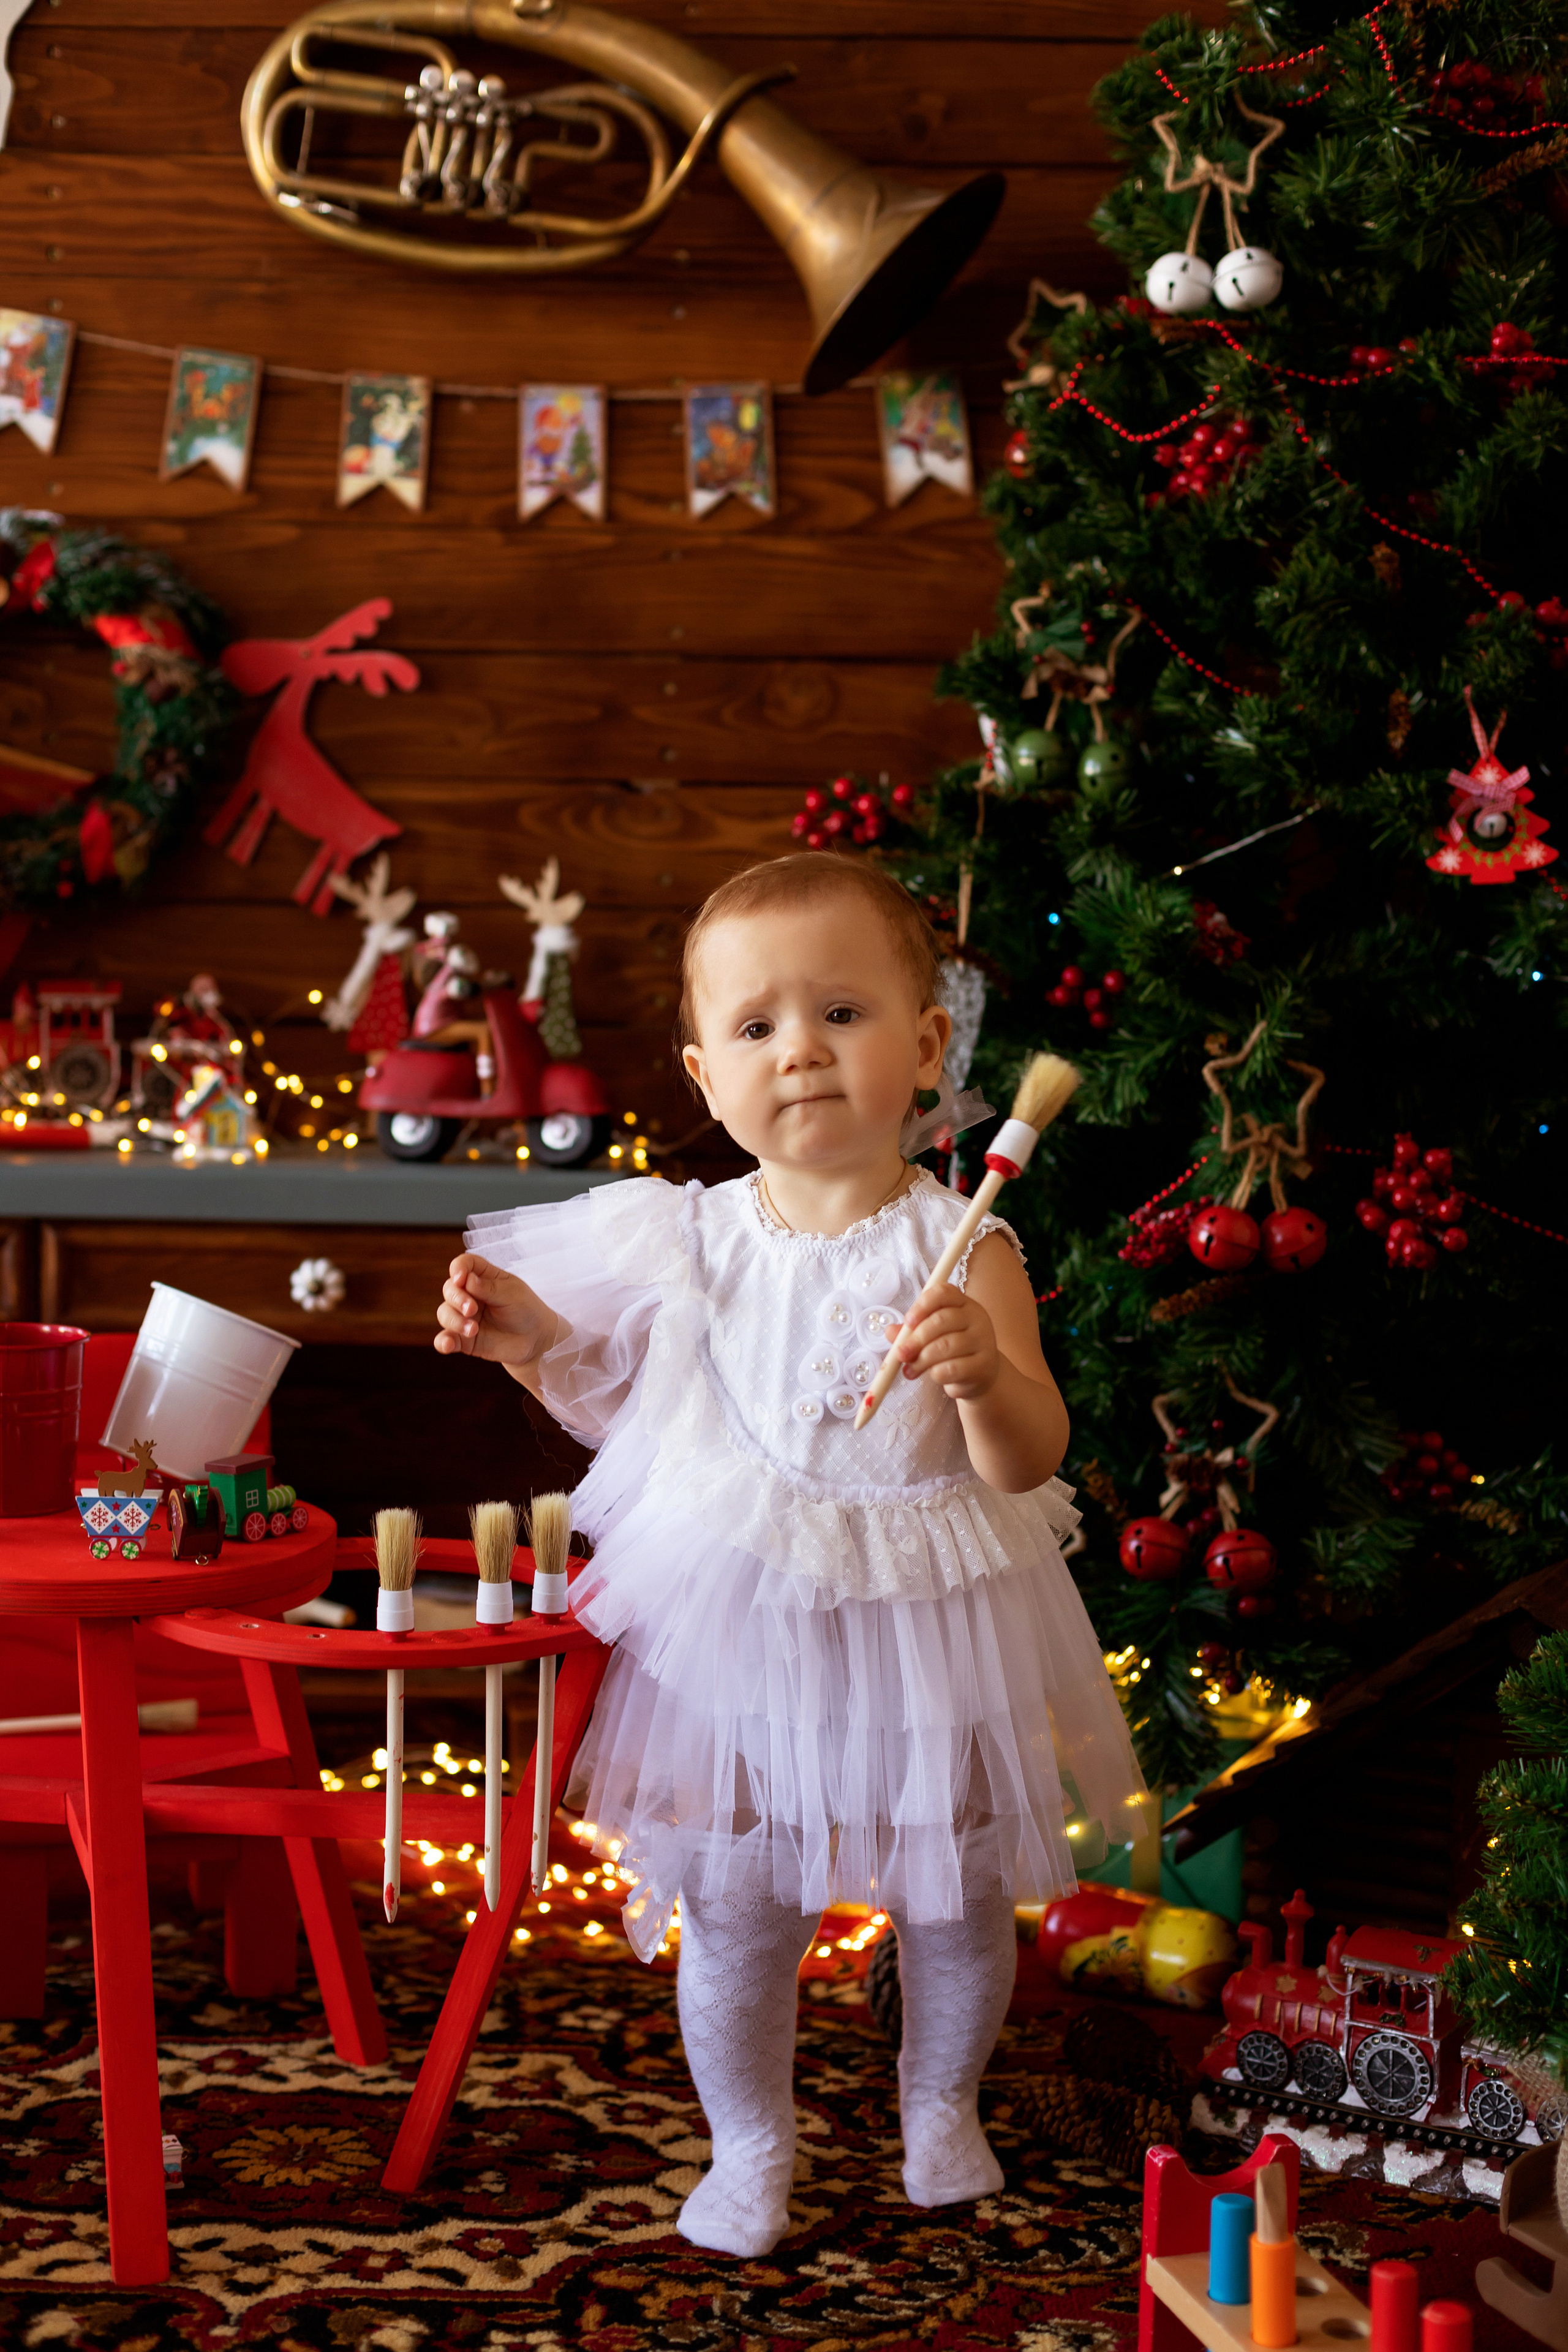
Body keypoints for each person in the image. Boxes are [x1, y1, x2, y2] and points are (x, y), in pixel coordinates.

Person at [434, 854, 1144, 2259]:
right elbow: (629, 1414)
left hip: (927, 1627)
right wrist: (525, 1344)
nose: (799, 1051)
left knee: (948, 1899)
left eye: (839, 1011)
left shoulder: (964, 1243)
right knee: (739, 1903)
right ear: (705, 1077)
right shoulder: (689, 1239)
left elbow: (1030, 1458)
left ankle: (939, 2104)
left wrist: (982, 1379)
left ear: (927, 1045)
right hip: (745, 1635)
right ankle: (749, 2143)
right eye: (756, 1028)